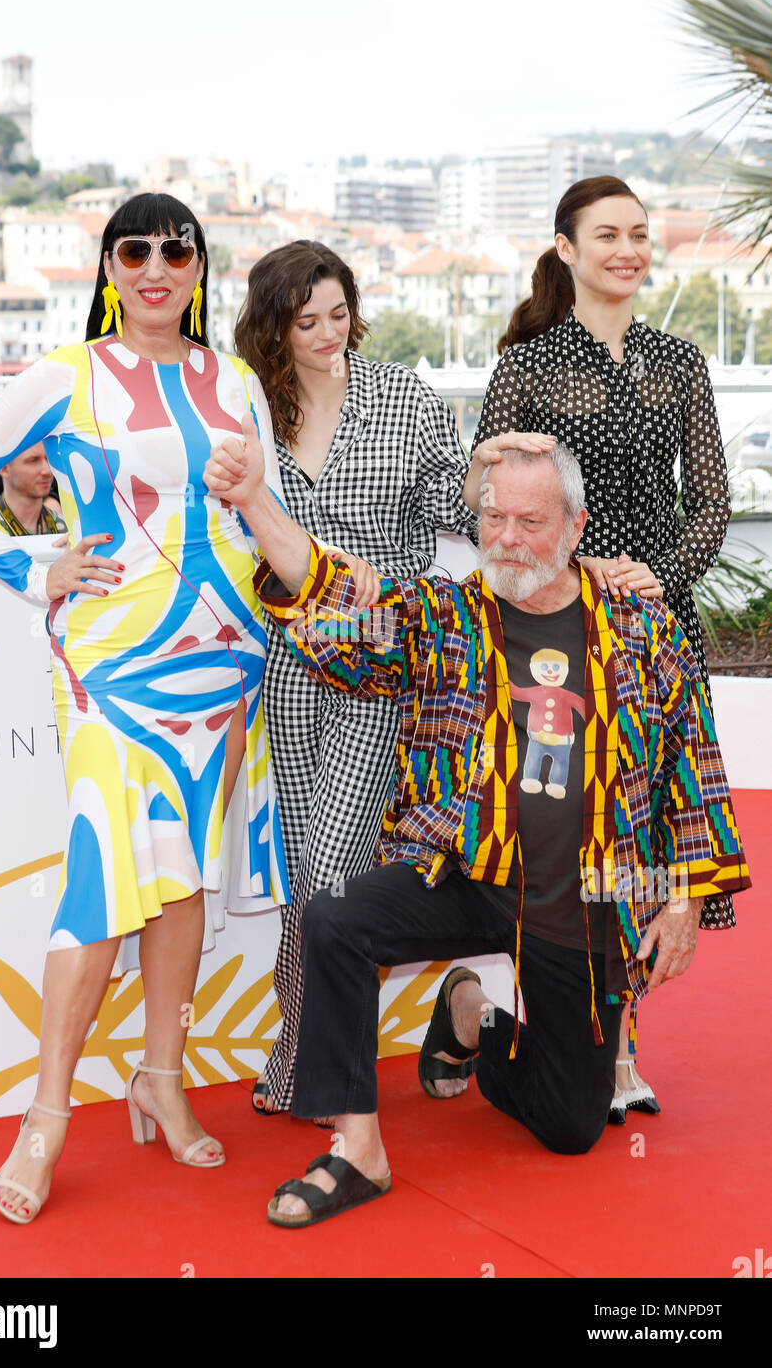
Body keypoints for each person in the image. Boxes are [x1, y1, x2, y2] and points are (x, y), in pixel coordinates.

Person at [202, 430, 750, 1228]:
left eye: (530, 522)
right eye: (493, 518)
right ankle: (357, 1149)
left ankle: (473, 1018)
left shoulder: (641, 625)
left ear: (576, 525)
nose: (506, 539)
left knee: (572, 1127)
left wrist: (681, 904)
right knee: (336, 918)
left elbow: (693, 765)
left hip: (586, 896)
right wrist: (254, 500)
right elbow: (337, 594)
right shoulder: (447, 614)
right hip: (463, 870)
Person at [0, 192, 290, 1224]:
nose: (156, 267)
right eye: (135, 250)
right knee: (100, 887)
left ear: (201, 265)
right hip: (112, 665)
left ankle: (161, 1076)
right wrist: (33, 569)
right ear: (110, 266)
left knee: (180, 884)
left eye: (177, 250)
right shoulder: (64, 376)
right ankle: (45, 1119)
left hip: (226, 659)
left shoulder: (237, 380)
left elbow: (269, 513)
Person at [233, 240, 538, 1115]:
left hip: (385, 657)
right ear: (274, 327)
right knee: (305, 873)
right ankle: (312, 1050)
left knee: (334, 872)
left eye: (339, 314)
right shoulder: (253, 409)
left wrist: (500, 472)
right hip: (290, 658)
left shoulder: (404, 397)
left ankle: (309, 1070)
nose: (330, 334)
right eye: (307, 321)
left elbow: (456, 508)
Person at [471, 175, 734, 1120]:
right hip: (553, 632)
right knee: (572, 823)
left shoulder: (678, 361)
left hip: (656, 625)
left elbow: (713, 500)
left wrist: (657, 574)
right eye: (608, 235)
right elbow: (495, 502)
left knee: (647, 826)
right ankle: (564, 1033)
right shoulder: (530, 364)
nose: (629, 249)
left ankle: (623, 1044)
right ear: (566, 249)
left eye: (640, 234)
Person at [0, 442, 67, 535]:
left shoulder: (65, 530)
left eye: (49, 459)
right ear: (4, 468)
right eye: (33, 461)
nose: (47, 471)